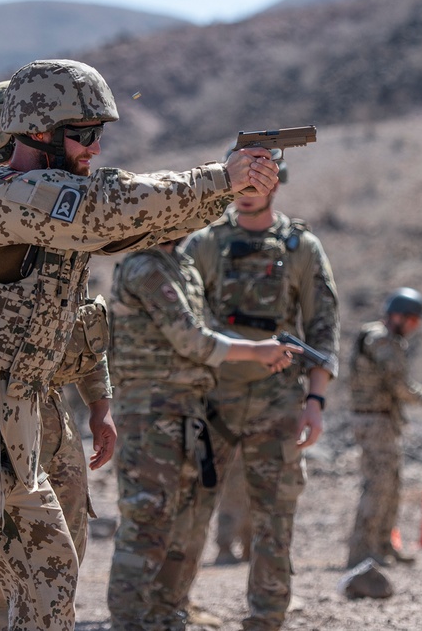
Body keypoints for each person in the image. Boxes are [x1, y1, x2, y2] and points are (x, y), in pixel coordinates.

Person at [0, 58, 279, 631]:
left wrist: (229, 189)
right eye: (84, 134)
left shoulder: (54, 213)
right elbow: (108, 208)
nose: (95, 148)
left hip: (16, 418)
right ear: (39, 133)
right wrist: (218, 177)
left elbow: (142, 227)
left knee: (50, 593)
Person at [0, 80, 119, 628]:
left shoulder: (55, 210)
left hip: (45, 407)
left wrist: (99, 401)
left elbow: (77, 316)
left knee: (60, 562)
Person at [177, 159, 340, 631]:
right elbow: (182, 325)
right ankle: (171, 609)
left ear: (276, 184)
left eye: (259, 181)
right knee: (190, 508)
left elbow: (323, 330)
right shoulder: (205, 244)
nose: (247, 191)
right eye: (241, 179)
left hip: (278, 402)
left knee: (275, 514)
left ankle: (267, 617)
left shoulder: (302, 248)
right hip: (212, 401)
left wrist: (316, 402)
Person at [105, 236, 299, 631]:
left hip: (187, 411)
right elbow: (191, 338)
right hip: (150, 412)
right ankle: (129, 621)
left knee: (184, 521)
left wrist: (260, 349)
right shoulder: (146, 266)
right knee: (146, 518)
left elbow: (207, 329)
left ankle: (164, 614)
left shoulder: (183, 267)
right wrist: (257, 351)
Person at [346, 287, 422, 569]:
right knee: (377, 486)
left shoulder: (383, 338)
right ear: (399, 317)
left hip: (382, 420)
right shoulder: (383, 341)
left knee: (390, 485)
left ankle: (383, 546)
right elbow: (399, 386)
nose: (414, 327)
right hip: (375, 421)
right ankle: (361, 553)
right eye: (413, 321)